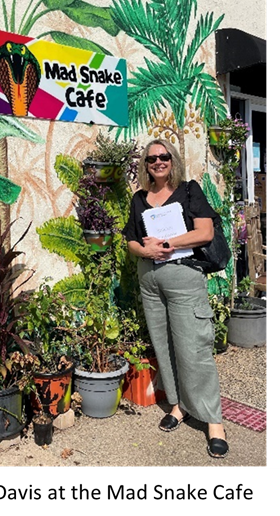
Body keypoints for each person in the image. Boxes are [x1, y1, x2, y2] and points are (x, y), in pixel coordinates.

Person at [123, 138, 229, 458]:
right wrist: (144, 249)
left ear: (172, 159)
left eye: (163, 156)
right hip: (150, 280)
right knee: (164, 345)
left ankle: (213, 421)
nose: (158, 161)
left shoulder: (188, 190)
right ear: (145, 164)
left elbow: (205, 232)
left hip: (183, 277)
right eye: (151, 158)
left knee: (194, 347)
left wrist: (167, 243)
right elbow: (130, 238)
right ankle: (179, 406)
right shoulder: (139, 198)